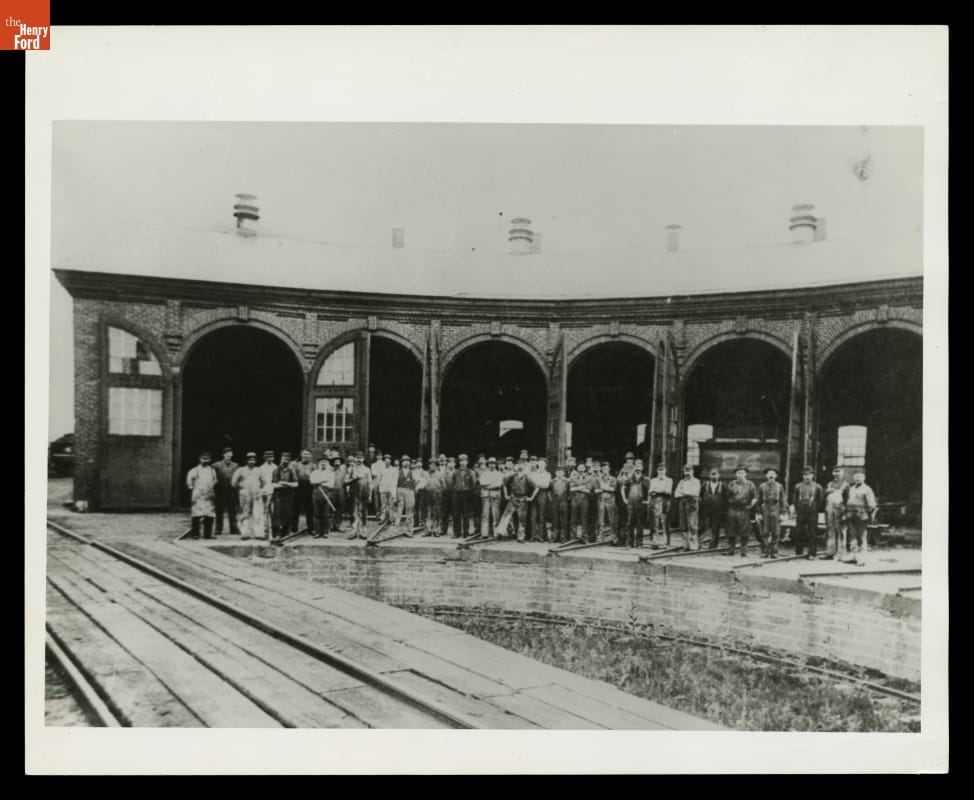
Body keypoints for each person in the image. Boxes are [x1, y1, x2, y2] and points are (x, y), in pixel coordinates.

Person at [844, 469, 878, 565]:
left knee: (861, 537)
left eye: (859, 477)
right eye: (855, 477)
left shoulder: (867, 489)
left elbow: (872, 505)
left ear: (864, 478)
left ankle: (862, 558)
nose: (857, 479)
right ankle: (853, 555)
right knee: (852, 536)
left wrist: (866, 513)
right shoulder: (851, 489)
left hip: (861, 516)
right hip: (850, 515)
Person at [791, 466, 825, 558]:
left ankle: (812, 553)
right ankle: (799, 552)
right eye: (805, 475)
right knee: (799, 531)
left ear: (813, 476)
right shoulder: (798, 486)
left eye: (809, 475)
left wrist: (815, 509)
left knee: (812, 532)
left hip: (812, 511)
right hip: (801, 511)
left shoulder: (818, 487)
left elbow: (820, 501)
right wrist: (796, 508)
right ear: (803, 476)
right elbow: (794, 499)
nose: (807, 477)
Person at [232, 452, 267, 541]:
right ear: (246, 460)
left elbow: (264, 482)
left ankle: (259, 533)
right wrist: (241, 487)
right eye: (250, 459)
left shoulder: (259, 470)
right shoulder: (241, 470)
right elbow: (234, 482)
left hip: (256, 493)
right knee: (245, 513)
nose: (252, 461)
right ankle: (245, 533)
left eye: (254, 460)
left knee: (258, 513)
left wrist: (259, 489)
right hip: (245, 493)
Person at [725, 467, 758, 556]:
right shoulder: (731, 484)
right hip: (733, 509)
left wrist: (750, 506)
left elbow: (755, 497)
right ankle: (730, 550)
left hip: (744, 509)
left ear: (745, 474)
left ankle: (744, 551)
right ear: (736, 474)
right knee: (731, 529)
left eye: (742, 473)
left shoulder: (750, 484)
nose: (740, 475)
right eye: (738, 473)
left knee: (745, 530)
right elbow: (727, 496)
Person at [186, 451, 217, 540]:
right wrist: (193, 488)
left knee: (209, 514)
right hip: (198, 494)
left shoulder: (212, 470)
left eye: (207, 459)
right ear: (200, 459)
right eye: (203, 459)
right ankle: (195, 533)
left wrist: (211, 488)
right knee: (196, 514)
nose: (205, 461)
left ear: (210, 460)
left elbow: (215, 480)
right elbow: (189, 480)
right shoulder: (195, 470)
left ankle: (207, 534)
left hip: (209, 494)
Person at [757, 467, 786, 558]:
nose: (771, 475)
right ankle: (765, 551)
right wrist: (759, 513)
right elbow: (759, 501)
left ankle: (774, 552)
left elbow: (782, 500)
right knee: (765, 531)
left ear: (776, 476)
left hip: (776, 508)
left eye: (773, 474)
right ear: (766, 476)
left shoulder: (779, 486)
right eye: (769, 474)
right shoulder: (762, 486)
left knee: (776, 532)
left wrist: (783, 513)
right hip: (765, 508)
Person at [270, 452, 299, 542]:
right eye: (283, 459)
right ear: (280, 460)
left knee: (288, 514)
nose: (285, 461)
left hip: (289, 496)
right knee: (277, 515)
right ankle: (276, 533)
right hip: (278, 496)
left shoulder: (292, 471)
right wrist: (288, 485)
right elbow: (274, 485)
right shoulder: (276, 470)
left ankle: (285, 532)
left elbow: (296, 484)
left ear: (289, 461)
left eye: (287, 459)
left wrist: (284, 483)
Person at [621, 461, 650, 548]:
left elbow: (650, 490)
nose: (638, 469)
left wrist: (648, 500)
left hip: (640, 503)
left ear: (642, 468)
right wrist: (624, 499)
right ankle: (629, 543)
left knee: (640, 524)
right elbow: (623, 488)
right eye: (636, 467)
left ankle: (639, 543)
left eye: (639, 467)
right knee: (630, 523)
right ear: (634, 468)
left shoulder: (646, 479)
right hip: (631, 503)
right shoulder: (630, 478)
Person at [824, 466, 851, 560]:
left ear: (842, 473)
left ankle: (841, 553)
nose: (837, 474)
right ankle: (830, 552)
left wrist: (845, 513)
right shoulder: (829, 484)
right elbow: (825, 497)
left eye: (839, 472)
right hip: (829, 509)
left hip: (840, 510)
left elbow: (848, 500)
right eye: (835, 472)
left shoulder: (845, 485)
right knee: (830, 530)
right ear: (832, 473)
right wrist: (827, 492)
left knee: (841, 531)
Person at [213, 446, 240, 537]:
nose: (229, 456)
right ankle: (218, 528)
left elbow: (238, 478)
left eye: (230, 454)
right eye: (227, 454)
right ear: (223, 455)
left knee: (232, 511)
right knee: (219, 510)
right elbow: (213, 478)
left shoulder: (236, 465)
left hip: (231, 491)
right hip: (220, 491)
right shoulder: (216, 465)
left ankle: (234, 528)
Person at [504, 459, 532, 542]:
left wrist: (530, 497)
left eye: (522, 466)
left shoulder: (527, 477)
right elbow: (504, 484)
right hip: (513, 499)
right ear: (516, 467)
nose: (520, 467)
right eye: (519, 465)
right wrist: (506, 495)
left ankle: (521, 537)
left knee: (522, 519)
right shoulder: (512, 476)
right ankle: (514, 534)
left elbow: (536, 487)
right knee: (512, 517)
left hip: (522, 499)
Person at [674, 464, 701, 551]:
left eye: (688, 471)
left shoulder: (696, 481)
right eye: (685, 471)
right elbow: (676, 493)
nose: (687, 473)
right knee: (683, 524)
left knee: (692, 524)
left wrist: (684, 493)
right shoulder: (681, 482)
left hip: (692, 502)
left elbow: (694, 492)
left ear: (692, 471)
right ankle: (685, 545)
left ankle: (694, 545)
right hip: (682, 502)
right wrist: (685, 493)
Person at [451, 453, 478, 538]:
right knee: (456, 514)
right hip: (457, 495)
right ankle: (457, 532)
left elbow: (474, 484)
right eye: (461, 461)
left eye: (464, 461)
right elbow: (453, 483)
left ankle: (465, 533)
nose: (463, 463)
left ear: (467, 462)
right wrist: (456, 490)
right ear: (459, 462)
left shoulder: (471, 472)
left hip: (466, 495)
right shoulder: (455, 472)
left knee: (466, 514)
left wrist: (469, 493)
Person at [346, 452, 372, 538]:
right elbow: (346, 481)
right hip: (354, 493)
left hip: (364, 493)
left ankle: (363, 531)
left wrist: (370, 495)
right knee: (353, 512)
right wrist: (348, 491)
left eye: (360, 458)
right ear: (355, 459)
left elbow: (370, 483)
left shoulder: (367, 469)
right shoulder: (351, 469)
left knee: (363, 512)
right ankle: (354, 531)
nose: (358, 460)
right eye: (357, 458)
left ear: (363, 459)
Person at [309, 456, 336, 538]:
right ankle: (317, 532)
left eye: (325, 462)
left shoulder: (331, 473)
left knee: (326, 514)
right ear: (319, 463)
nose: (323, 463)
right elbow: (312, 482)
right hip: (316, 494)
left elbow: (331, 485)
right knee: (316, 513)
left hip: (327, 494)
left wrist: (319, 482)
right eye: (321, 462)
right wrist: (324, 481)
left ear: (328, 464)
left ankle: (325, 532)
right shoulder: (314, 472)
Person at [290, 449, 315, 535]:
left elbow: (315, 476)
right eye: (304, 454)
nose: (306, 456)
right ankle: (294, 528)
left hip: (309, 487)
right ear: (301, 455)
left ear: (310, 456)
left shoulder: (313, 466)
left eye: (307, 454)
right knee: (295, 508)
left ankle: (311, 529)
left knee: (309, 509)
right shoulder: (296, 464)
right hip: (298, 487)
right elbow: (293, 475)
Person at [701, 468, 727, 549]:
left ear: (719, 475)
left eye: (715, 474)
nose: (714, 476)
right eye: (712, 474)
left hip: (717, 510)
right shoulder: (705, 485)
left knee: (715, 527)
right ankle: (700, 542)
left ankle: (713, 544)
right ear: (709, 475)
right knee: (704, 525)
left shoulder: (723, 485)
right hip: (706, 509)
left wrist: (723, 509)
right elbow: (700, 496)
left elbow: (726, 498)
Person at [478, 456, 504, 537]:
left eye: (493, 464)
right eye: (490, 464)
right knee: (485, 515)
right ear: (488, 464)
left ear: (495, 465)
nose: (491, 465)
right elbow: (481, 483)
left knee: (496, 515)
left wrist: (487, 486)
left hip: (495, 496)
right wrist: (492, 483)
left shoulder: (499, 474)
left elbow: (498, 485)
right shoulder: (484, 473)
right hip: (485, 496)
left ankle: (496, 533)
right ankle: (484, 533)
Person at [528, 457, 553, 542]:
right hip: (533, 495)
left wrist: (537, 484)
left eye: (543, 463)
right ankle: (533, 536)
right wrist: (539, 484)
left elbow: (546, 485)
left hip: (543, 494)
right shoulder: (533, 474)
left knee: (542, 516)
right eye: (540, 463)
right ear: (537, 464)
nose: (541, 465)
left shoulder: (548, 474)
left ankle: (541, 536)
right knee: (533, 516)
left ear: (545, 465)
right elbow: (531, 483)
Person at [649, 465, 673, 545]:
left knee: (665, 521)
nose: (661, 472)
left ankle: (666, 540)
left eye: (662, 470)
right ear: (657, 471)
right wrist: (662, 491)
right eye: (659, 470)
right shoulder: (653, 480)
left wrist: (657, 491)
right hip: (655, 500)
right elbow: (650, 491)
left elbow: (668, 491)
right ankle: (654, 540)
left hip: (665, 501)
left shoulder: (669, 480)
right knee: (655, 520)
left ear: (665, 471)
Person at [569, 462, 591, 543]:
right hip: (574, 499)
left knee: (584, 519)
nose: (581, 468)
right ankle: (572, 537)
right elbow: (571, 489)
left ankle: (584, 537)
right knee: (573, 519)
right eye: (579, 467)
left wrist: (577, 488)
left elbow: (588, 490)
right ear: (577, 468)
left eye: (582, 467)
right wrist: (582, 487)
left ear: (585, 468)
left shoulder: (588, 478)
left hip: (584, 499)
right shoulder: (573, 477)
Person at [394, 455, 418, 531]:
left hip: (409, 491)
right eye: (404, 461)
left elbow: (422, 481)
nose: (406, 463)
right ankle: (396, 525)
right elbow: (393, 484)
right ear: (401, 463)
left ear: (410, 463)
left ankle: (409, 527)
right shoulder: (397, 472)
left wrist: (417, 487)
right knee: (399, 508)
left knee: (409, 508)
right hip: (400, 490)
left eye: (407, 461)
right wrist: (394, 496)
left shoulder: (413, 472)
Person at [596, 462, 618, 542]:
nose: (605, 470)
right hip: (601, 500)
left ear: (609, 469)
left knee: (612, 519)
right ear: (601, 470)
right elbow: (595, 490)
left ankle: (614, 536)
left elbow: (613, 489)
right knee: (600, 520)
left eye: (606, 468)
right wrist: (605, 488)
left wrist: (603, 488)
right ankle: (600, 536)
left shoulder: (613, 479)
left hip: (610, 501)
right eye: (603, 469)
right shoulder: (598, 479)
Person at [258, 450, 278, 535]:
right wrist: (262, 488)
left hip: (274, 490)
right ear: (265, 458)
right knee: (264, 510)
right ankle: (265, 528)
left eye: (271, 457)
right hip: (265, 491)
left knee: (273, 510)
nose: (270, 459)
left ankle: (273, 528)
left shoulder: (276, 467)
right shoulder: (261, 468)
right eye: (268, 457)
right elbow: (259, 480)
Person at [550, 466, 570, 543]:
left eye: (561, 472)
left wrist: (566, 500)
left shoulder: (567, 482)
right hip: (555, 502)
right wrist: (552, 499)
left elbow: (569, 493)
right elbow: (550, 492)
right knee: (555, 519)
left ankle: (563, 537)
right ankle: (554, 537)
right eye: (558, 472)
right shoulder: (552, 482)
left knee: (563, 519)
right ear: (555, 473)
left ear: (563, 473)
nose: (559, 474)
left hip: (564, 501)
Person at [424, 458, 444, 535]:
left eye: (434, 465)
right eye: (431, 464)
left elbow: (443, 485)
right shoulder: (425, 474)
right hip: (427, 495)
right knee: (428, 512)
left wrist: (440, 493)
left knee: (437, 513)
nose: (432, 466)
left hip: (437, 495)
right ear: (428, 465)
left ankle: (436, 530)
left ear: (436, 466)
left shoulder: (440, 474)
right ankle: (428, 530)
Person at [439, 455, 455, 537]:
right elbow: (442, 482)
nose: (451, 464)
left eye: (452, 463)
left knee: (455, 513)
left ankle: (456, 531)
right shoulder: (444, 473)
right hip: (446, 494)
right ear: (447, 464)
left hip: (455, 494)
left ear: (455, 464)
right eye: (449, 463)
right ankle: (443, 530)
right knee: (445, 513)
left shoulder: (457, 472)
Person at [379, 453, 398, 524]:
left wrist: (393, 490)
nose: (387, 462)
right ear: (384, 461)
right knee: (383, 505)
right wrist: (381, 486)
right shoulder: (381, 469)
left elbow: (395, 480)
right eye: (386, 460)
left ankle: (391, 518)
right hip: (383, 489)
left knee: (391, 504)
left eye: (388, 460)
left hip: (391, 489)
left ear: (390, 461)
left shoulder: (394, 469)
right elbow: (379, 479)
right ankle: (383, 518)